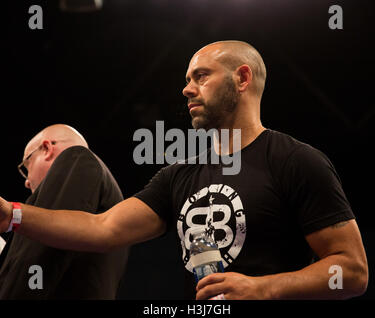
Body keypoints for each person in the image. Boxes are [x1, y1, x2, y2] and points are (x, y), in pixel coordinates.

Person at [0, 41, 368, 300]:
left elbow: (352, 272)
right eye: (188, 79)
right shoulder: (179, 175)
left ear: (242, 79)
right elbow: (102, 228)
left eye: (201, 76)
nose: (186, 89)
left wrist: (263, 288)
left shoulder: (295, 161)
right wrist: (10, 214)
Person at [0, 124, 129, 299]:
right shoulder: (106, 201)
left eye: (26, 166)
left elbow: (39, 257)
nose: (27, 182)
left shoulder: (76, 158)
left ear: (47, 148)